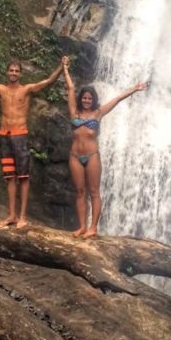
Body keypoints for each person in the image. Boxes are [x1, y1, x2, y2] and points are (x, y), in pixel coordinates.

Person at [0, 47, 67, 229]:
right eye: (11, 70)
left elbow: (48, 81)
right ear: (7, 72)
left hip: (20, 135)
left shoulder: (26, 90)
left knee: (23, 177)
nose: (14, 73)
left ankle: (22, 217)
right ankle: (11, 215)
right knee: (10, 177)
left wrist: (61, 66)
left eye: (17, 71)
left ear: (20, 74)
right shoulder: (0, 89)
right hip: (4, 136)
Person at [63, 57, 147, 238]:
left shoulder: (98, 113)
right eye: (84, 98)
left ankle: (93, 227)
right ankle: (82, 227)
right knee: (80, 192)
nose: (86, 100)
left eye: (89, 98)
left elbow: (117, 99)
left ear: (93, 100)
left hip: (92, 156)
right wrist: (65, 69)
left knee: (94, 191)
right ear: (81, 99)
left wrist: (134, 89)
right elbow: (70, 88)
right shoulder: (74, 112)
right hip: (75, 156)